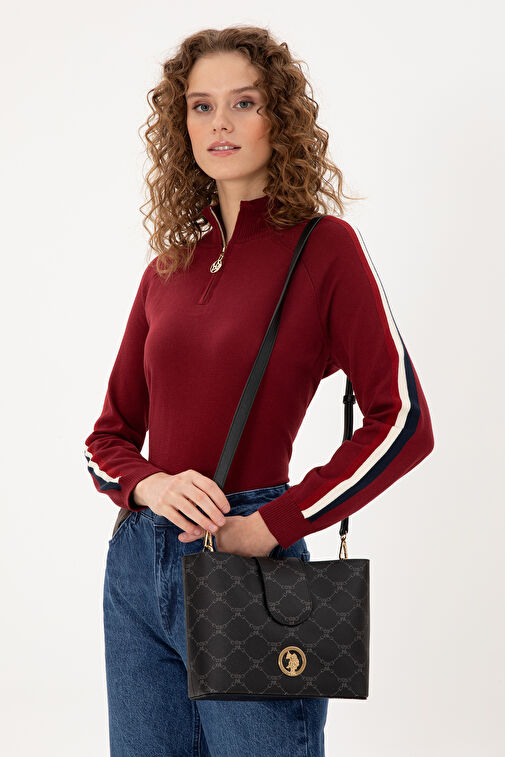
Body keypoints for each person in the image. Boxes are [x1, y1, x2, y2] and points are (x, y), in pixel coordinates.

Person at [84, 25, 435, 757]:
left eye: (243, 102)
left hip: (248, 562)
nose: (220, 122)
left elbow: (401, 420)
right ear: (181, 124)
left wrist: (275, 522)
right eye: (201, 105)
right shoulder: (167, 268)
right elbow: (107, 438)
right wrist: (151, 486)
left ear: (279, 115)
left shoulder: (323, 248)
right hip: (138, 568)